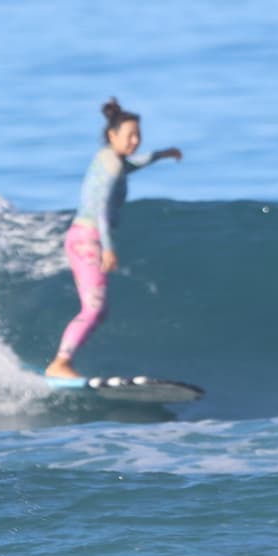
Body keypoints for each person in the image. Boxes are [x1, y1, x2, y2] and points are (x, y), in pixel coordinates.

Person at [43, 98, 183, 379]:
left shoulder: (108, 158)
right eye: (129, 135)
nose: (135, 141)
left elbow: (133, 164)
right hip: (89, 239)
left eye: (138, 135)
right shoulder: (113, 166)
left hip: (79, 236)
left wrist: (162, 154)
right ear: (112, 134)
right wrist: (108, 249)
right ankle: (60, 363)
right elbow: (102, 210)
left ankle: (62, 361)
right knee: (94, 308)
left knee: (98, 310)